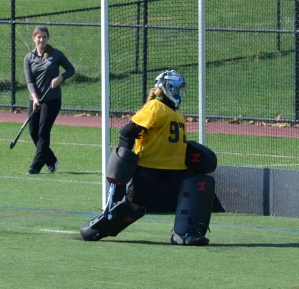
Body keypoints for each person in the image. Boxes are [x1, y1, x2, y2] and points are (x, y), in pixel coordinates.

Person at [80, 70, 217, 245]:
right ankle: (95, 230)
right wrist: (121, 163)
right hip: (149, 167)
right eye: (179, 89)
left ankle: (185, 233)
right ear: (169, 87)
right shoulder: (155, 107)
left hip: (175, 168)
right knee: (132, 206)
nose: (180, 93)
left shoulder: (174, 112)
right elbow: (128, 131)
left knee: (198, 186)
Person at [23, 26, 76, 175]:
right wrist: (34, 97)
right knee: (33, 132)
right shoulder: (29, 58)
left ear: (48, 38)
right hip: (35, 100)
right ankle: (51, 160)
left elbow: (71, 70)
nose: (41, 40)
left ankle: (36, 166)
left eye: (44, 37)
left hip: (52, 100)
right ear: (34, 38)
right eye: (39, 37)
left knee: (43, 132)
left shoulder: (56, 54)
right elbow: (29, 81)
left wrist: (60, 78)